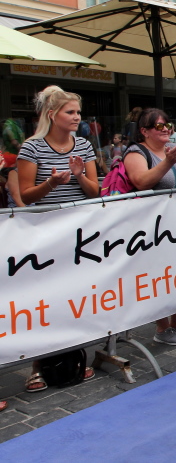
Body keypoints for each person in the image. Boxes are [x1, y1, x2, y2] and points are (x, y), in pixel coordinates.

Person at [16, 85, 97, 391]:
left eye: (78, 112)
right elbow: (25, 195)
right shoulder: (32, 148)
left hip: (79, 232)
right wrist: (51, 183)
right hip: (45, 233)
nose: (77, 117)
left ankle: (73, 358)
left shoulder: (84, 145)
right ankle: (37, 365)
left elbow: (95, 191)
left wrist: (78, 176)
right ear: (52, 115)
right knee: (45, 299)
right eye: (70, 112)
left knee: (75, 295)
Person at [123, 108, 176, 346]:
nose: (166, 129)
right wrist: (168, 162)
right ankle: (162, 327)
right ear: (144, 131)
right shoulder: (136, 152)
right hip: (155, 228)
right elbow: (141, 181)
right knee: (160, 275)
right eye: (159, 126)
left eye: (168, 125)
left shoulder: (174, 149)